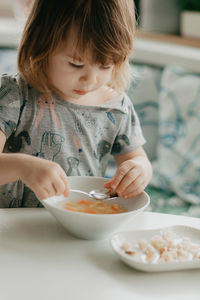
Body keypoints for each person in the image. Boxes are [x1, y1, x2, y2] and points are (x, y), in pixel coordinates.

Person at [0, 0, 152, 208]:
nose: (90, 80)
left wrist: (138, 170)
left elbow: (137, 159)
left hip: (77, 226)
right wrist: (22, 167)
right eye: (76, 64)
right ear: (41, 44)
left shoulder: (116, 107)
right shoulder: (14, 94)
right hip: (15, 229)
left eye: (105, 66)